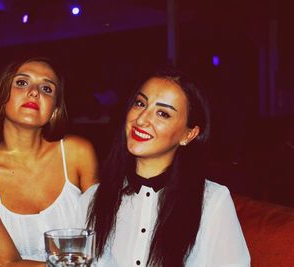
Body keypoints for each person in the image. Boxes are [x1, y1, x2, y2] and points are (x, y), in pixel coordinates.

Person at [80, 69, 250, 267]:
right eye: (140, 103)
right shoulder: (93, 198)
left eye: (163, 113)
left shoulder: (212, 201)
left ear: (189, 134)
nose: (141, 119)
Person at [0, 57, 98, 266]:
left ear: (55, 109)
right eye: (22, 83)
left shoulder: (77, 152)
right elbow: (7, 263)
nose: (35, 92)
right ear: (2, 95)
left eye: (47, 88)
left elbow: (103, 235)